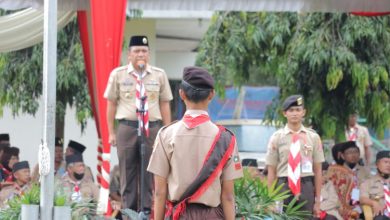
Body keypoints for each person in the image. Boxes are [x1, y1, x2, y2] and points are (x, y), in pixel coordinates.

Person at [147, 66, 243, 220]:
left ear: (181, 94)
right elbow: (228, 196)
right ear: (211, 95)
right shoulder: (226, 139)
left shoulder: (166, 135)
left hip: (179, 216)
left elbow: (159, 192)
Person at [104, 35, 173, 213]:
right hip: (127, 127)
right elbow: (111, 104)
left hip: (152, 128)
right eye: (136, 51)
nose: (140, 54)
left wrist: (168, 131)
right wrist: (111, 132)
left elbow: (165, 103)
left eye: (144, 51)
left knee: (151, 174)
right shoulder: (118, 74)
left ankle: (148, 213)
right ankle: (130, 215)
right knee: (128, 174)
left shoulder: (159, 74)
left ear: (148, 54)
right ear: (129, 54)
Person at [266, 95, 325, 218]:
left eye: (298, 110)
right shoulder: (277, 137)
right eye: (291, 110)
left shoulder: (313, 137)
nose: (294, 113)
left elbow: (318, 170)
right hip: (283, 185)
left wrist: (318, 200)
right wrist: (270, 198)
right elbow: (271, 171)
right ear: (284, 113)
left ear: (304, 112)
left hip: (306, 184)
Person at [360, 151, 390, 219]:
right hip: (381, 213)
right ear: (377, 164)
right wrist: (374, 203)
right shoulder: (367, 183)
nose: (389, 165)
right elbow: (363, 199)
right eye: (385, 162)